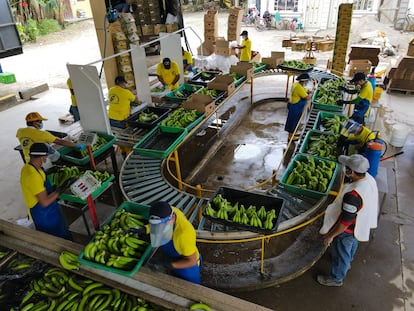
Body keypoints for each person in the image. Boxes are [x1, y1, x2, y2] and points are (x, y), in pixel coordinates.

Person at [318, 154, 378, 287]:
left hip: (348, 230)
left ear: (351, 172)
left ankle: (336, 278)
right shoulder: (369, 179)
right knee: (350, 247)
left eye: (347, 168)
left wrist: (331, 235)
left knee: (341, 252)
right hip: (359, 225)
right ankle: (347, 262)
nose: (345, 170)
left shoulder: (353, 195)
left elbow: (345, 223)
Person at [20, 143, 73, 240]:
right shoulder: (33, 176)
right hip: (44, 214)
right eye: (46, 156)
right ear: (42, 158)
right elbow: (44, 202)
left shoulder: (29, 167)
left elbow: (39, 182)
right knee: (56, 238)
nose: (46, 158)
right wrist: (61, 189)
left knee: (61, 230)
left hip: (48, 211)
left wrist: (51, 170)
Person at [147, 201, 202, 284]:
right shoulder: (168, 211)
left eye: (162, 226)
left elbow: (191, 261)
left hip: (187, 267)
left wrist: (166, 265)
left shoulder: (183, 235)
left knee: (190, 289)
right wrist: (145, 229)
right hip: (173, 255)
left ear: (172, 218)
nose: (159, 230)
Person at [16, 112, 85, 164]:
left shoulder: (20, 131)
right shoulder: (41, 134)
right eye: (40, 122)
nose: (41, 123)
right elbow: (61, 142)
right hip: (41, 160)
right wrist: (76, 145)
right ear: (34, 123)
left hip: (28, 159)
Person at [284, 73, 313, 141]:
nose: (307, 82)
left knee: (296, 120)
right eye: (306, 81)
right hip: (295, 107)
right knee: (292, 121)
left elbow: (304, 90)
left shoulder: (297, 84)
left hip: (294, 105)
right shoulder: (298, 87)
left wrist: (308, 91)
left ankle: (294, 132)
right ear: (303, 81)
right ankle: (290, 136)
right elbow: (307, 97)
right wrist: (311, 93)